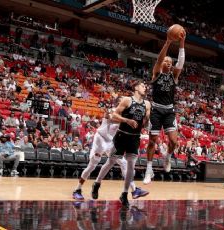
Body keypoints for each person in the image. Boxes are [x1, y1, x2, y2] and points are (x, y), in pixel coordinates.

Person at [72, 107, 148, 201]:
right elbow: (108, 116)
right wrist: (126, 120)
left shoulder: (126, 118)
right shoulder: (116, 112)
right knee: (91, 166)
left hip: (110, 142)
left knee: (123, 163)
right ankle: (77, 190)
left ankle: (134, 190)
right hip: (100, 139)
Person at [143, 30, 186, 184]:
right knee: (152, 141)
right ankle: (149, 169)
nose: (168, 62)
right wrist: (168, 42)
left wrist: (181, 42)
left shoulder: (174, 76)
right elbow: (158, 60)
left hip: (168, 110)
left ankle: (167, 157)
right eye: (165, 61)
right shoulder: (156, 74)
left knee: (174, 141)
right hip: (156, 110)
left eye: (170, 61)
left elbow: (180, 62)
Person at [110, 80, 151, 208]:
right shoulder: (126, 101)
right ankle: (95, 184)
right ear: (136, 87)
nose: (145, 87)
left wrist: (148, 118)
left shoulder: (147, 104)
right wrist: (127, 120)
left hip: (134, 138)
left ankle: (126, 193)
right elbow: (113, 116)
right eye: (143, 85)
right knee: (109, 163)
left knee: (130, 167)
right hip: (119, 137)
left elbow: (144, 123)